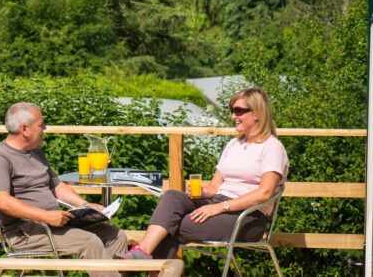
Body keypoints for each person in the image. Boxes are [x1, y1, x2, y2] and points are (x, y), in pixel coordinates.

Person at [123, 86, 288, 260]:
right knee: (172, 196)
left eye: (239, 111)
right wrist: (202, 192)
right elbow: (214, 186)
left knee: (173, 226)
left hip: (249, 216)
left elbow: (265, 193)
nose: (233, 116)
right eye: (232, 111)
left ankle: (141, 255)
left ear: (257, 113)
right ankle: (142, 252)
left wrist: (220, 207)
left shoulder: (272, 148)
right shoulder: (234, 145)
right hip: (218, 203)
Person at [0, 102, 128, 277]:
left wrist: (86, 205)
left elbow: (57, 186)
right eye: (40, 124)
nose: (45, 127)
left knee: (115, 235)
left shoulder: (35, 152)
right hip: (26, 232)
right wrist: (45, 216)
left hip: (55, 223)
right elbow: (1, 202)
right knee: (89, 242)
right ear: (24, 129)